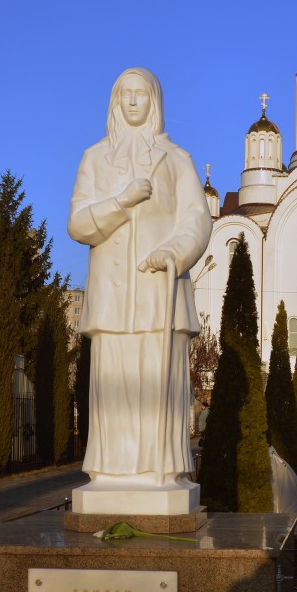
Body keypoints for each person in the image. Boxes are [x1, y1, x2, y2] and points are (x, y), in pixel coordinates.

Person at [67, 68, 211, 497]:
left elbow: (197, 220)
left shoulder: (176, 159)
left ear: (154, 101)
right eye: (124, 94)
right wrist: (121, 200)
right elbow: (78, 223)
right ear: (115, 101)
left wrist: (175, 251)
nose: (132, 102)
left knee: (155, 383)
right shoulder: (94, 158)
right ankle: (111, 471)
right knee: (114, 385)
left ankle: (159, 471)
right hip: (112, 298)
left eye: (140, 94)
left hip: (157, 293)